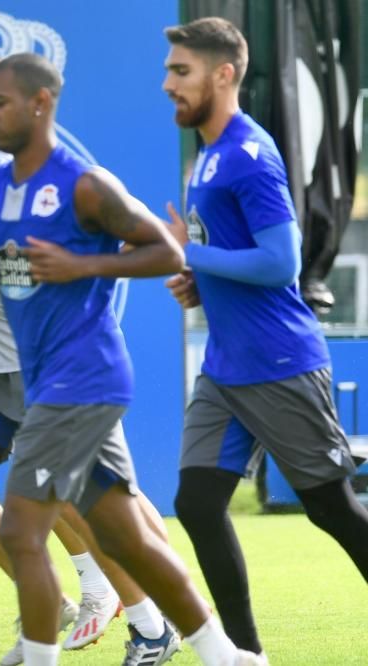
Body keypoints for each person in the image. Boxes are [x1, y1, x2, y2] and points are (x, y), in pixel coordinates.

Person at [0, 52, 259, 666]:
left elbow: (168, 252)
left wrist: (87, 264)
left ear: (40, 103)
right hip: (49, 382)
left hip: (83, 376)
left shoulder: (84, 182)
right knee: (124, 535)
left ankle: (38, 657)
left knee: (20, 528)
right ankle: (224, 655)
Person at [0, 50, 179, 665]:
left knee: (97, 504)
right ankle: (56, 604)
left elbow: (57, 258)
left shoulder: (12, 176)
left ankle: (152, 619)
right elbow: (2, 269)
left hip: (46, 365)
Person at [162, 17, 368, 663]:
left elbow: (281, 262)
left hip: (278, 361)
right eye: (170, 71)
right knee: (196, 503)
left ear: (224, 75)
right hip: (226, 365)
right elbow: (235, 256)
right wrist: (202, 276)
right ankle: (244, 655)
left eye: (182, 71)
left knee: (330, 509)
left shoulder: (248, 153)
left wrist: (190, 253)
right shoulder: (207, 153)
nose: (169, 84)